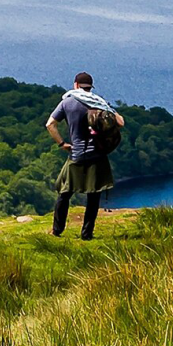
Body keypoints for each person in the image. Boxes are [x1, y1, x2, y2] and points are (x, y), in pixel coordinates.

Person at [47, 73, 123, 237]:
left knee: (65, 193)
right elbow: (120, 122)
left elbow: (50, 125)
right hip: (98, 154)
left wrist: (62, 144)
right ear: (90, 87)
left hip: (77, 153)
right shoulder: (98, 102)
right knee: (94, 195)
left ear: (76, 85)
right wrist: (107, 106)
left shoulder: (67, 102)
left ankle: (57, 230)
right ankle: (86, 233)